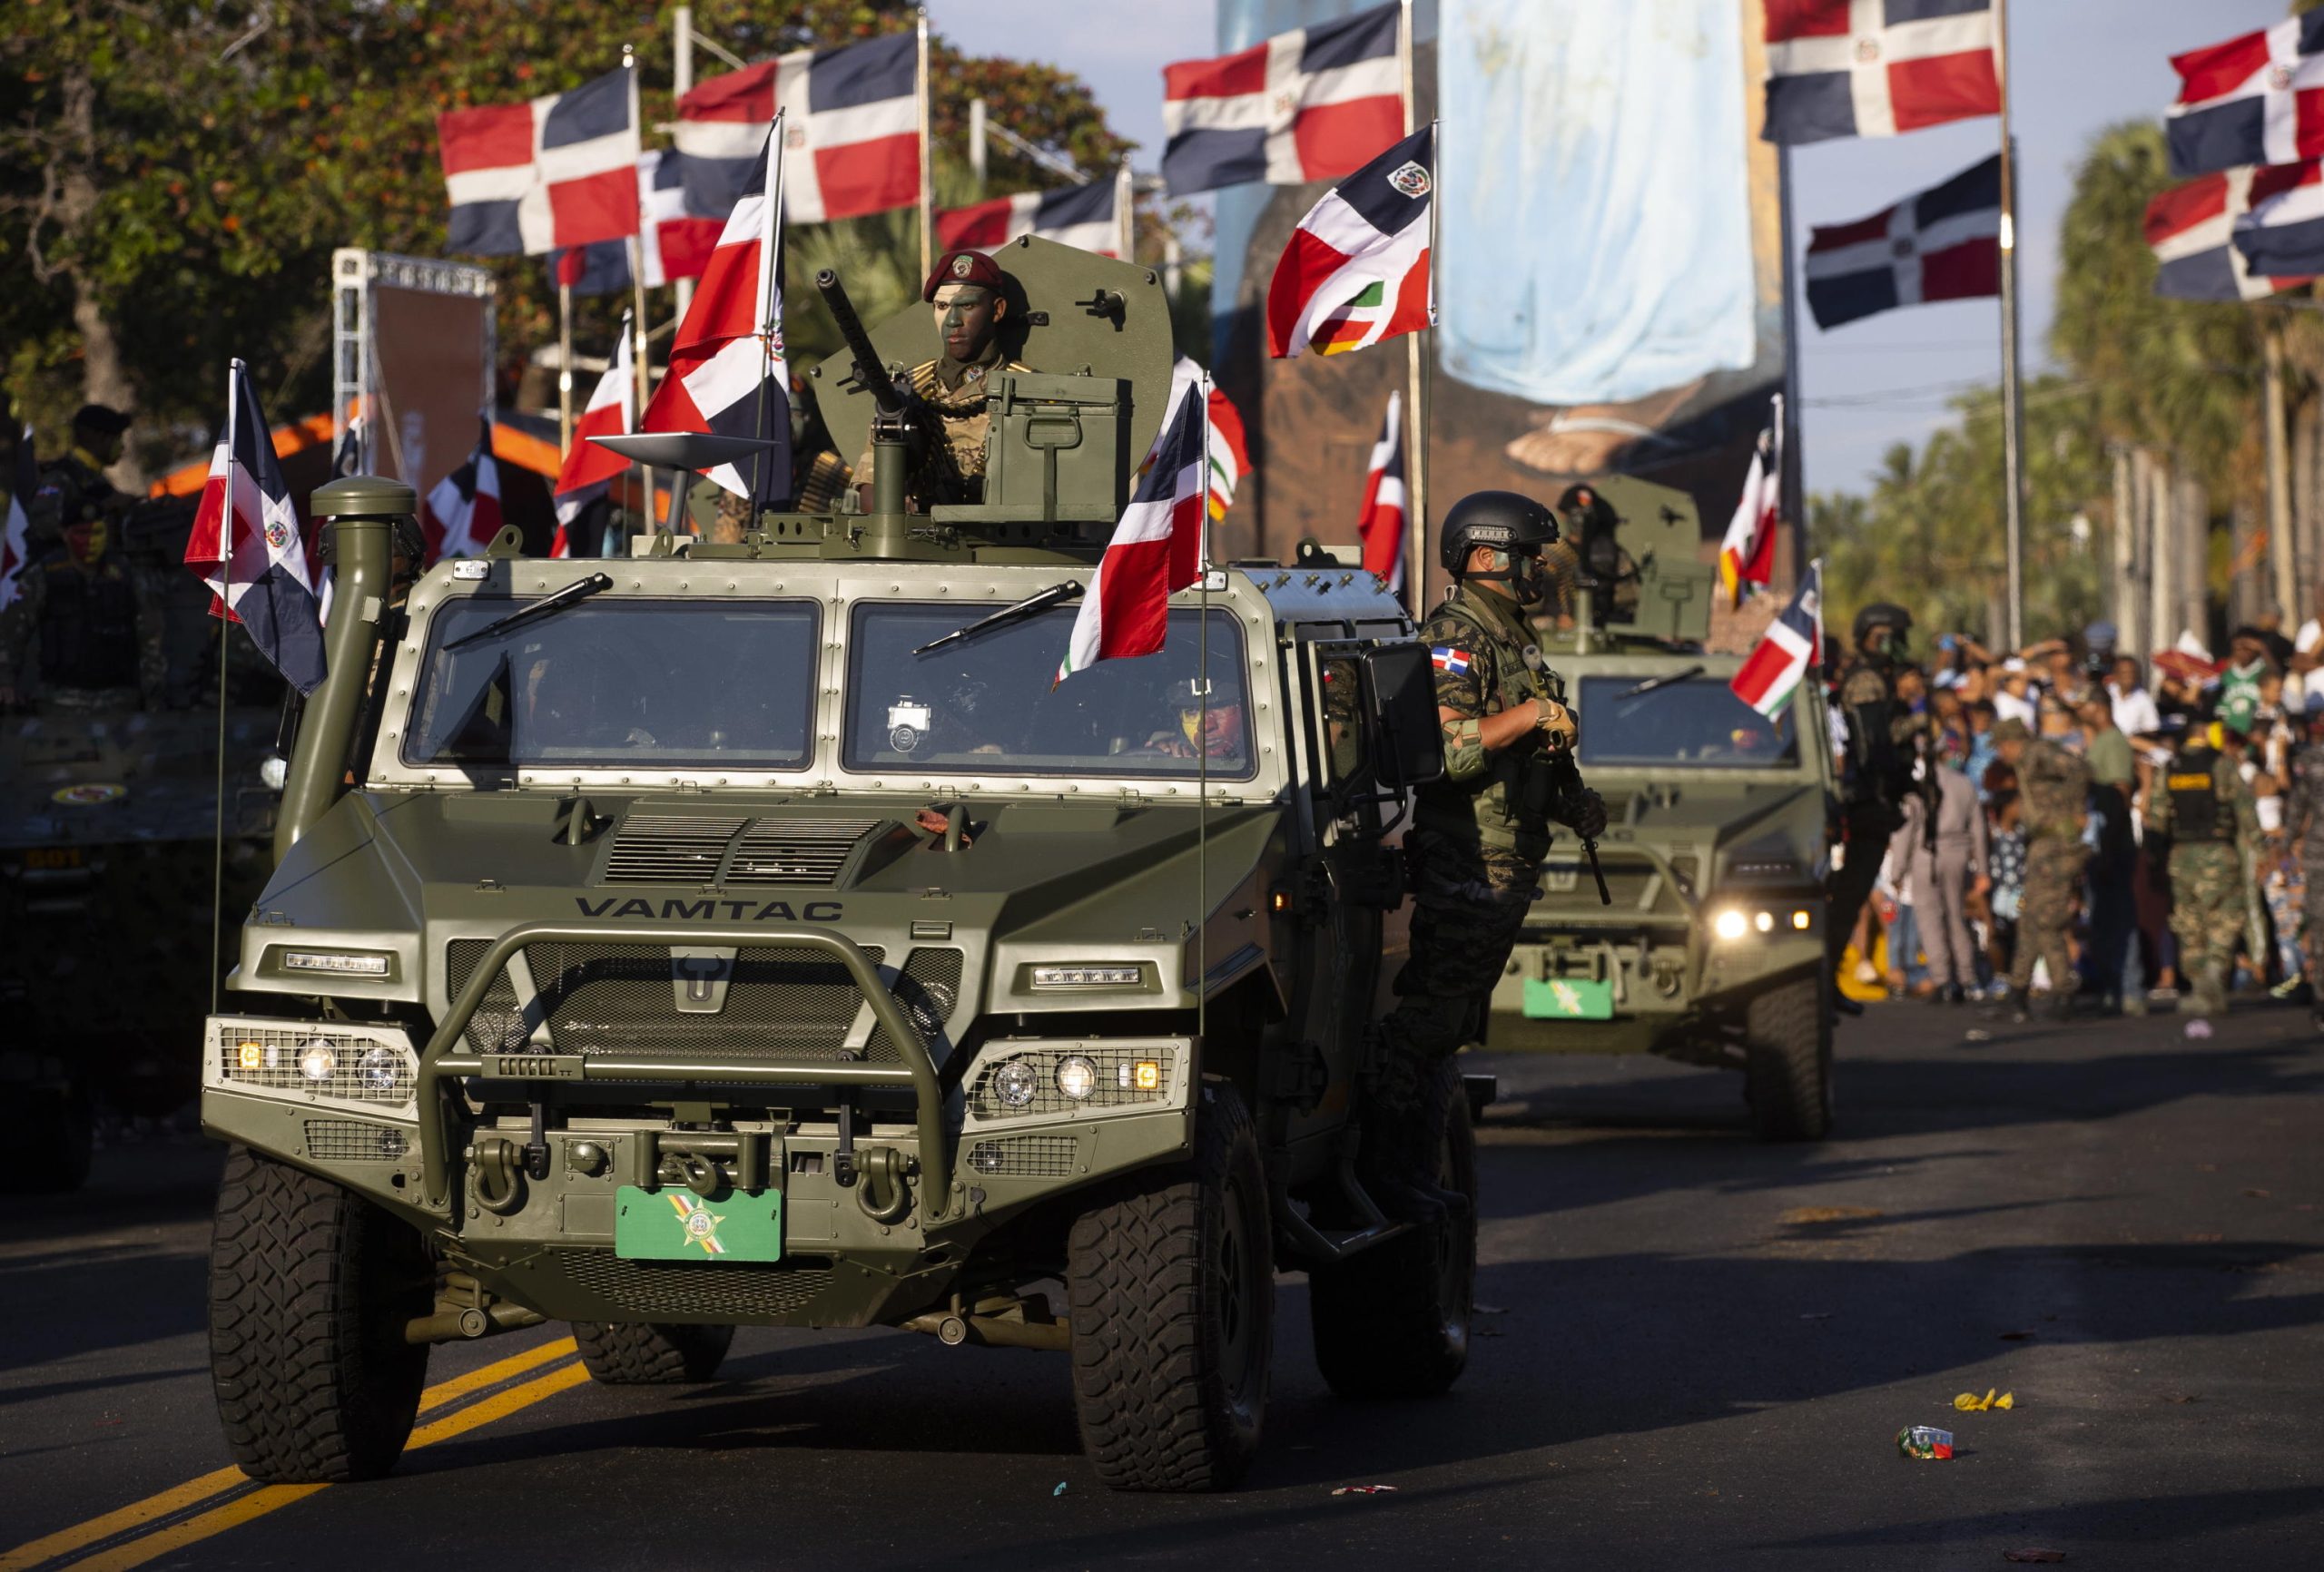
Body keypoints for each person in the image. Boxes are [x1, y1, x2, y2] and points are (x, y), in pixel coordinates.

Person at [1370, 490, 1605, 1220]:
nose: (1540, 569)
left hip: (1504, 857)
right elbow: (1447, 749)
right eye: (1529, 556)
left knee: (1454, 1022)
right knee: (1427, 1024)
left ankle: (1411, 1168)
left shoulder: (1510, 635)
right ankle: (1386, 1170)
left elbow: (1521, 756)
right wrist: (1533, 714)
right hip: (1466, 858)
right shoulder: (1458, 636)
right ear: (1486, 556)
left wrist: (1571, 801)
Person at [853, 249, 1031, 511]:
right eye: (942, 306)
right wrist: (895, 508)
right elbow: (869, 485)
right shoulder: (907, 392)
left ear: (997, 310)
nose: (952, 321)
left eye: (967, 305)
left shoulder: (1031, 393)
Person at [1827, 603, 1921, 974]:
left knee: (1855, 891)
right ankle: (1827, 973)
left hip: (1879, 800)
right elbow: (1872, 746)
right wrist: (1915, 721)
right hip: (1868, 801)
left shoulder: (1883, 679)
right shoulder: (1867, 682)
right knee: (1851, 895)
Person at [2145, 722, 2260, 1017]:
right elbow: (2244, 808)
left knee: (2189, 923)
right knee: (2225, 917)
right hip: (2218, 853)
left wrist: (2155, 858)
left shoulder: (2170, 768)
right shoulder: (2222, 765)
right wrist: (2259, 846)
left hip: (2180, 856)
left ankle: (2200, 988)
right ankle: (2213, 974)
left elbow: (2156, 817)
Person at [0, 512, 164, 712]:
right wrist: (5, 680)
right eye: (82, 533)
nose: (91, 541)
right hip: (58, 700)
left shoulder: (126, 574)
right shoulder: (43, 575)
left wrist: (153, 693)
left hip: (119, 700)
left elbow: (151, 635)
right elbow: (12, 631)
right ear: (65, 534)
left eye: (97, 532)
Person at [1991, 716, 2089, 1020]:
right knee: (2030, 919)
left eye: (2001, 747)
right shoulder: (2028, 762)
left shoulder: (2038, 754)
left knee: (2046, 920)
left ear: (2011, 743)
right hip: (2041, 845)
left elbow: (2078, 768)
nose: (2000, 755)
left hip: (2057, 844)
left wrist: (2075, 810)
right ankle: (2018, 992)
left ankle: (2063, 990)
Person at [1891, 760, 1988, 1002]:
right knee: (1956, 916)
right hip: (1957, 852)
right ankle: (1967, 978)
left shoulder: (1917, 783)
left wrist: (1897, 870)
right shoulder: (1963, 782)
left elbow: (1906, 829)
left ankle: (1943, 979)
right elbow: (1978, 827)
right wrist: (1982, 869)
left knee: (1929, 920)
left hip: (1926, 854)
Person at [23, 404, 134, 558]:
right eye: (116, 438)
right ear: (97, 437)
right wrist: (99, 510)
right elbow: (42, 523)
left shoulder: (94, 478)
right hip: (62, 573)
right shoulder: (60, 476)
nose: (121, 446)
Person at [2285, 710, 2324, 1027]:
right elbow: (2297, 806)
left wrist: (2284, 844)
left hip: (2317, 853)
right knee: (2320, 925)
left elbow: (2297, 808)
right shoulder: (2310, 762)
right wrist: (2283, 846)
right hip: (2318, 854)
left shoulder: (2310, 761)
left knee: (2320, 925)